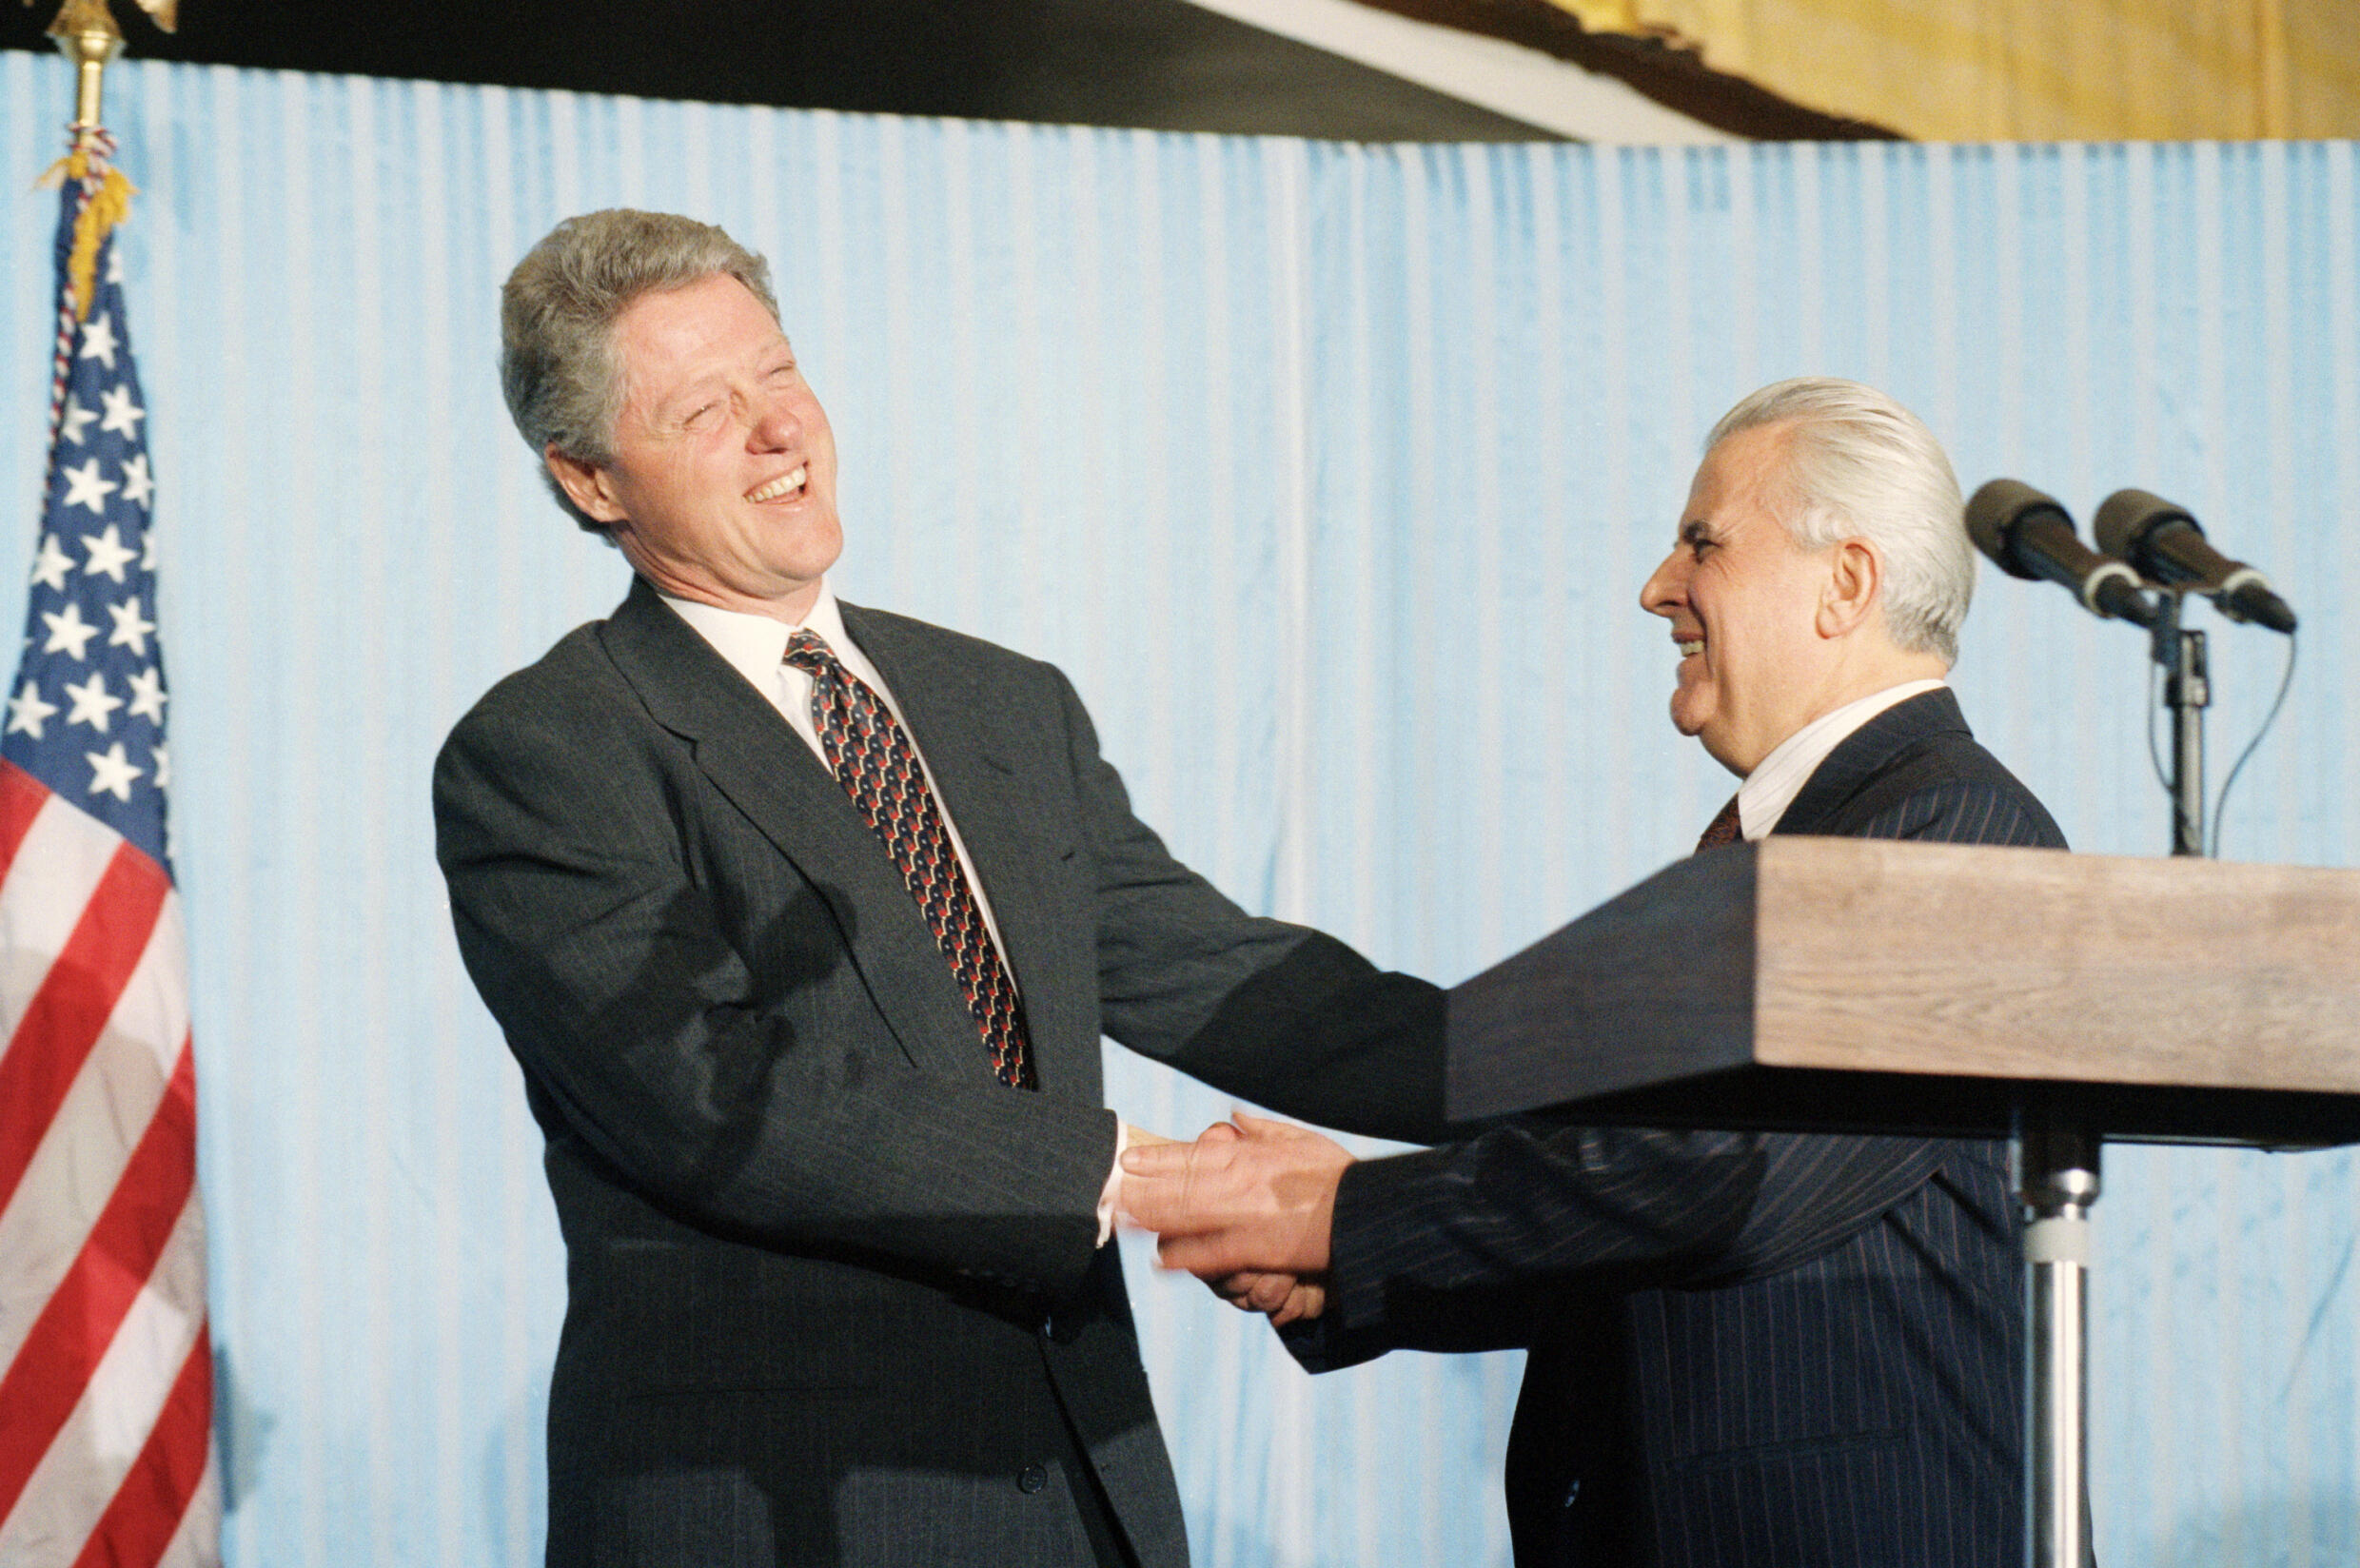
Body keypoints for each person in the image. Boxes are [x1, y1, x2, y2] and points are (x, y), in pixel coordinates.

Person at [431, 209, 1447, 1568]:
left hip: (1080, 1485)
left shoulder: (1000, 704)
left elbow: (1223, 979)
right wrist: (1150, 1181)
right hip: (785, 1504)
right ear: (590, 479)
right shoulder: (550, 749)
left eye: (778, 372)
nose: (779, 429)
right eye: (705, 410)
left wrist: (1569, 1067)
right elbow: (713, 1098)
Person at [1123, 378, 2068, 1567]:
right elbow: (1639, 1233)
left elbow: (1727, 1180)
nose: (1656, 587)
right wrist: (1338, 1268)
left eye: (1702, 543)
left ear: (1844, 583)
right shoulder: (1788, 850)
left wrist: (1346, 1216)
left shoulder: (1957, 830)